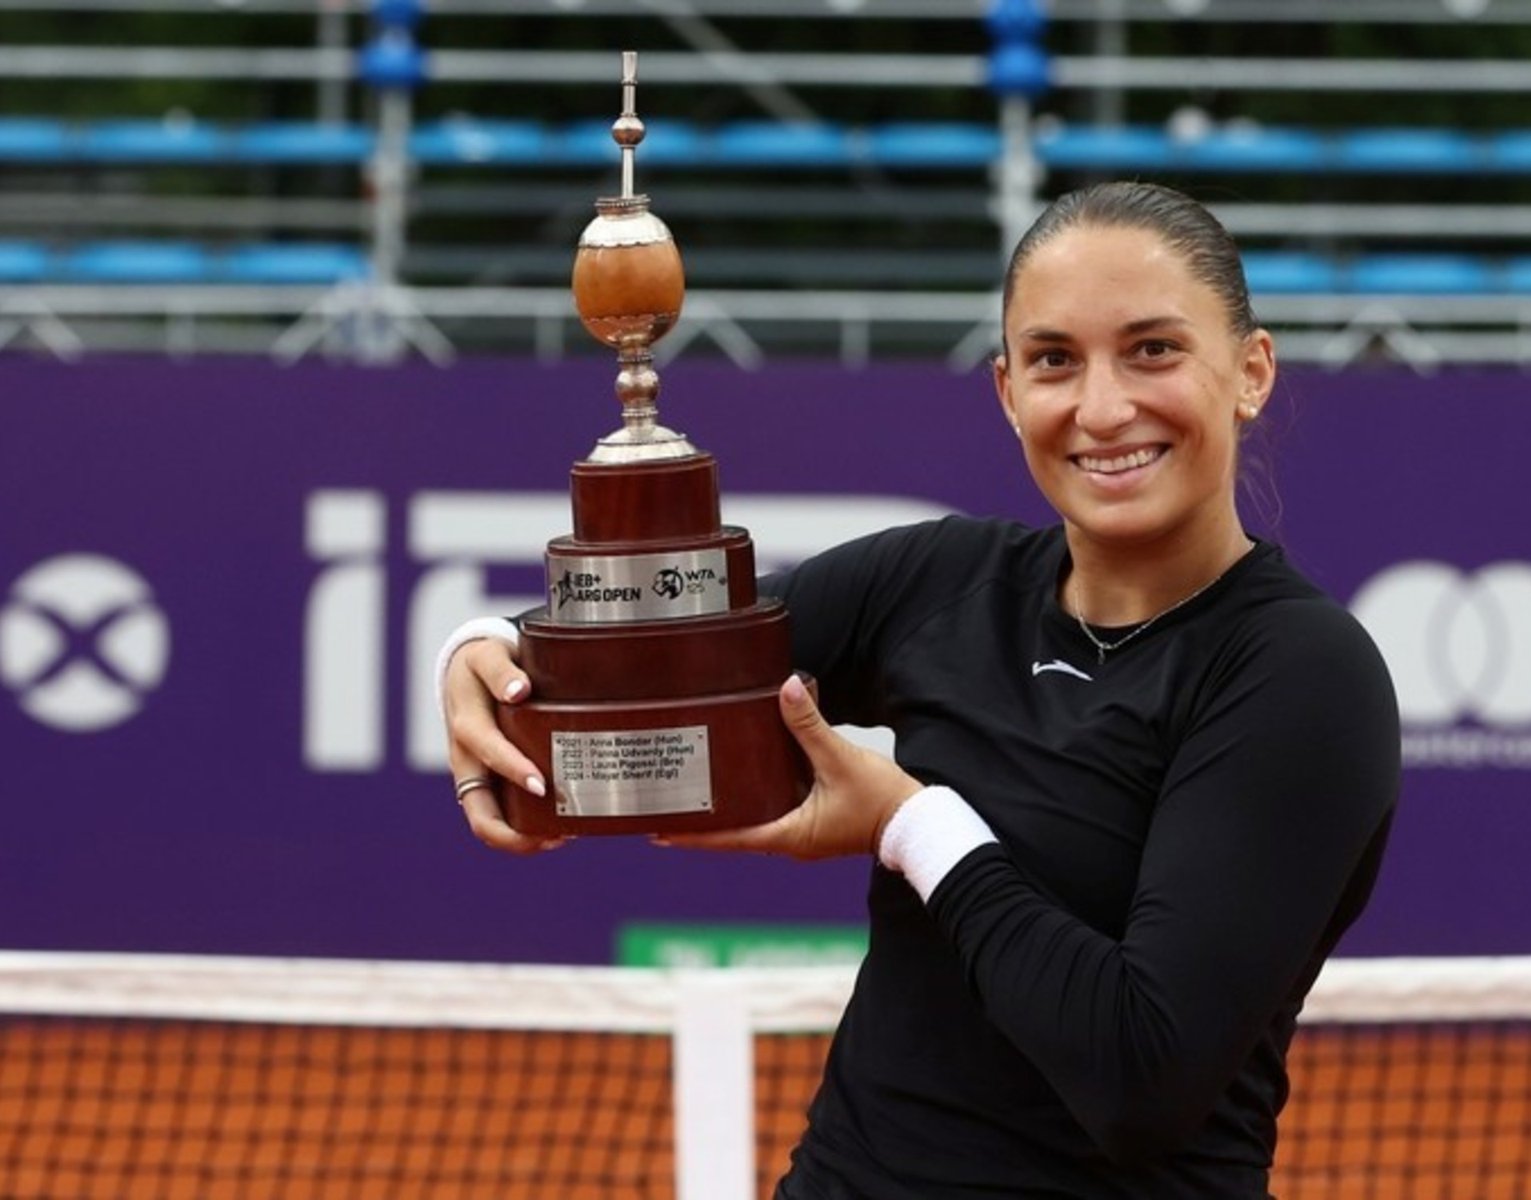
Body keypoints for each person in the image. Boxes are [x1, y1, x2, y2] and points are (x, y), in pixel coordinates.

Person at [438, 181, 1401, 1199]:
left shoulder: (1300, 673)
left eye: (1153, 350)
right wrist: (487, 647)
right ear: (1004, 392)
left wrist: (912, 827)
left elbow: (1137, 1077)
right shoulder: (940, 580)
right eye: (1053, 361)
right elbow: (676, 655)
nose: (1102, 406)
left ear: (1250, 372)